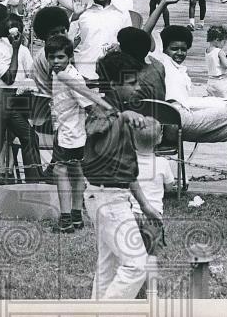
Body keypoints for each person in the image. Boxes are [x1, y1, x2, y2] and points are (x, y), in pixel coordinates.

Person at [154, 25, 227, 199]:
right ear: (164, 49)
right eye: (174, 49)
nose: (179, 53)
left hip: (185, 120)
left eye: (184, 49)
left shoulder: (178, 69)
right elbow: (147, 35)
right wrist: (163, 4)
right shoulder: (161, 61)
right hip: (176, 121)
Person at [83, 50, 158, 300]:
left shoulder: (116, 111)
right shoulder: (102, 111)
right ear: (114, 84)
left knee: (109, 267)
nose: (137, 88)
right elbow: (97, 138)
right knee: (136, 266)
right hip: (106, 198)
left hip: (113, 196)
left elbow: (126, 167)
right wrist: (122, 119)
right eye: (131, 82)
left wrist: (145, 205)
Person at [46, 35, 113, 233]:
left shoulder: (69, 77)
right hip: (71, 131)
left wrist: (104, 122)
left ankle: (66, 218)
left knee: (61, 172)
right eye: (52, 57)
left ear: (69, 57)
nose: (56, 62)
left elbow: (90, 105)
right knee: (76, 172)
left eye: (60, 57)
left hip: (70, 134)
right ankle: (76, 216)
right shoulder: (65, 73)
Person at [0, 3, 39, 203]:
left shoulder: (3, 40)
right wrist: (14, 50)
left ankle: (34, 183)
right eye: (5, 19)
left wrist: (16, 45)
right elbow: (9, 77)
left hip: (8, 99)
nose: (9, 22)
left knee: (29, 136)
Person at [130, 118, 174, 297]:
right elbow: (170, 187)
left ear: (133, 138)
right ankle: (152, 292)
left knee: (132, 256)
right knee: (151, 257)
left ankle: (131, 289)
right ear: (159, 139)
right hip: (153, 217)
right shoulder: (163, 163)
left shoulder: (129, 162)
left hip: (131, 214)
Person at [70, 0, 133, 81]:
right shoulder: (83, 13)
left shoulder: (122, 12)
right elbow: (68, 44)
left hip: (114, 75)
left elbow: (130, 44)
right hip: (85, 74)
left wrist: (119, 47)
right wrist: (74, 17)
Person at [204, 25, 227, 99]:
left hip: (210, 81)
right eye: (224, 42)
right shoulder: (219, 52)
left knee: (212, 99)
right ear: (217, 40)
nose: (225, 44)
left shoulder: (207, 51)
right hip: (221, 81)